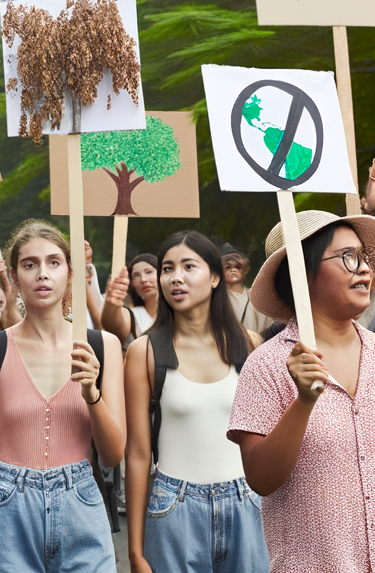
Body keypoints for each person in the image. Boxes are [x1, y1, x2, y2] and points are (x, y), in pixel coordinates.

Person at [0, 221, 125, 572]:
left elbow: (112, 456)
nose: (42, 274)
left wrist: (92, 393)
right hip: (7, 512)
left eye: (53, 262)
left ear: (69, 271)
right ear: (14, 277)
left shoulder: (102, 347)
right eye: (30, 264)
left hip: (81, 505)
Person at [228, 211, 375, 573]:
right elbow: (260, 479)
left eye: (365, 257)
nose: (365, 269)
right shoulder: (266, 365)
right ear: (302, 274)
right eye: (348, 257)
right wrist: (304, 402)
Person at [124, 232, 267, 573]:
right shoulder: (143, 351)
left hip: (247, 504)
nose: (176, 277)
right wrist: (135, 550)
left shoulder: (250, 345)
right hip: (174, 508)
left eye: (189, 266)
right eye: (168, 268)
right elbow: (139, 454)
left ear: (215, 276)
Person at [101, 253, 159, 345]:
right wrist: (112, 302)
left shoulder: (178, 312)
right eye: (136, 276)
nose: (143, 279)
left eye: (149, 272)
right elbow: (114, 327)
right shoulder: (132, 315)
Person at [220, 242, 272, 336]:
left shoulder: (255, 296)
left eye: (238, 266)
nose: (233, 270)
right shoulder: (218, 298)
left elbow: (270, 323)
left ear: (245, 269)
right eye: (228, 267)